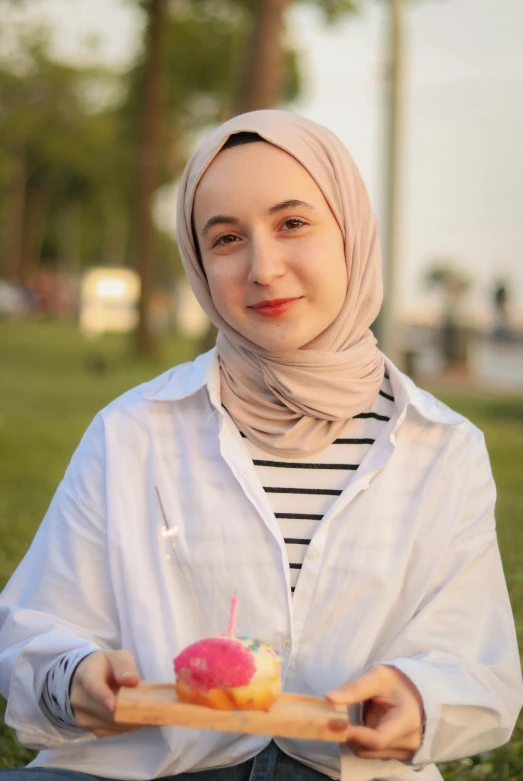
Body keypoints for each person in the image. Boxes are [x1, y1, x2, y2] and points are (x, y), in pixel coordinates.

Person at [0, 111, 521, 781]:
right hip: (149, 769)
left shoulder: (442, 447)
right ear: (197, 262)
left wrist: (420, 698)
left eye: (293, 223)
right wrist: (75, 675)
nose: (263, 267)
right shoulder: (133, 431)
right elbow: (33, 629)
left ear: (351, 233)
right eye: (225, 238)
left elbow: (477, 667)